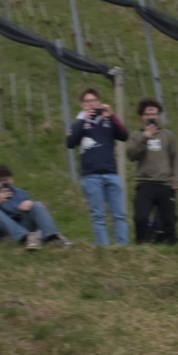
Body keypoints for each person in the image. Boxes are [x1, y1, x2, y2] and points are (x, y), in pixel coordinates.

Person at [66, 87, 129, 246]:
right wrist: (84, 120)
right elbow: (70, 142)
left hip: (111, 173)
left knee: (119, 214)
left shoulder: (107, 120)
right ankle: (103, 248)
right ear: (82, 104)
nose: (91, 104)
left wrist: (112, 115)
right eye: (87, 101)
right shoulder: (79, 123)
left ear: (99, 102)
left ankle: (123, 247)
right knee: (98, 216)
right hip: (91, 176)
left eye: (94, 100)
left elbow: (124, 135)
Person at [126, 97, 178, 245]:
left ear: (158, 115)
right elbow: (131, 155)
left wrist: (176, 180)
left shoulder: (167, 135)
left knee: (168, 221)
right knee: (141, 218)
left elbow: (176, 158)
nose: (151, 117)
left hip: (165, 184)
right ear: (142, 117)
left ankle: (171, 247)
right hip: (145, 183)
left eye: (154, 114)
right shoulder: (136, 135)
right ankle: (141, 245)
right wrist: (144, 138)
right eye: (147, 114)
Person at [0, 165, 72, 251]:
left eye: (6, 180)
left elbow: (33, 212)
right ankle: (26, 238)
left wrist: (29, 205)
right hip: (1, 231)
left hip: (22, 225)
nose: (3, 184)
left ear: (11, 180)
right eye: (0, 181)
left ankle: (53, 236)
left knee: (36, 205)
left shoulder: (20, 193)